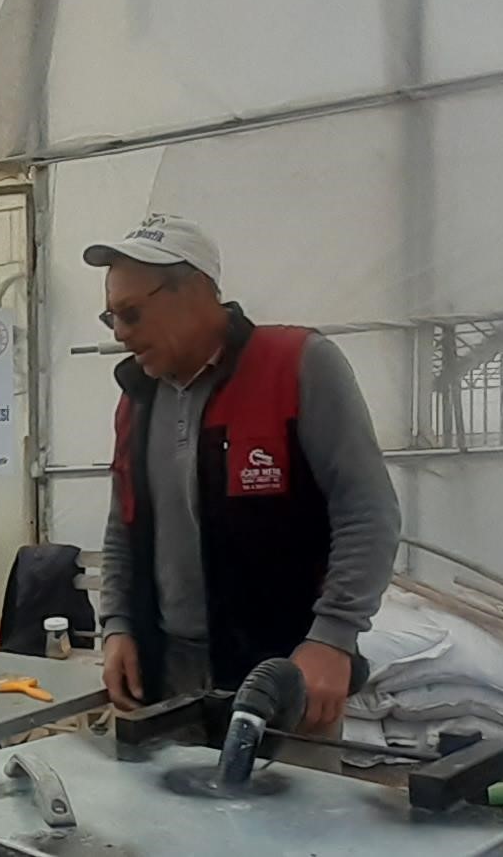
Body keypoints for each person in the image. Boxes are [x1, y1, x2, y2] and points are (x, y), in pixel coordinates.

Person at [85, 213, 400, 768]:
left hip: (283, 675)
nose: (119, 333)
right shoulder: (138, 398)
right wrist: (117, 627)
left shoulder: (296, 366)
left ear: (194, 292)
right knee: (169, 815)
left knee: (292, 816)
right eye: (112, 316)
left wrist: (332, 638)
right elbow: (123, 526)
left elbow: (367, 511)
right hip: (167, 678)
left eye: (131, 313)